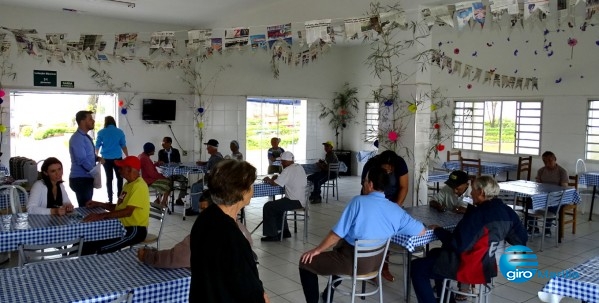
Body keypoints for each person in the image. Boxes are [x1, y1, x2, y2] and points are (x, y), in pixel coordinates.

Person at [299, 165, 426, 303]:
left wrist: (317, 250)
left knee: (305, 262)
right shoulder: (395, 209)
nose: (363, 184)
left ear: (370, 184)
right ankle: (327, 296)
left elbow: (337, 234)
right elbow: (421, 230)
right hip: (376, 264)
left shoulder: (358, 202)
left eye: (364, 181)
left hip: (352, 262)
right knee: (336, 256)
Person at [411, 176, 528, 303]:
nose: (471, 193)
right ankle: (447, 300)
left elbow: (458, 244)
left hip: (467, 264)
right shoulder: (507, 212)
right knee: (434, 253)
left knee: (416, 267)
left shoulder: (478, 214)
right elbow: (521, 240)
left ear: (481, 192)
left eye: (473, 190)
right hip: (486, 264)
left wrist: (439, 231)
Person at [189, 159, 269, 303]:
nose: (252, 190)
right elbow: (247, 290)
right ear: (241, 191)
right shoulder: (231, 236)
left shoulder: (206, 217)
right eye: (251, 185)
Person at [137, 190, 256, 269]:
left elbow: (175, 258)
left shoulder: (207, 231)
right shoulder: (239, 226)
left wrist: (148, 256)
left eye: (204, 209)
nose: (201, 214)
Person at [81, 156, 150, 255]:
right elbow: (119, 208)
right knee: (90, 241)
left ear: (129, 170)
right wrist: (98, 203)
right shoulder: (128, 184)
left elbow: (127, 212)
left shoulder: (139, 186)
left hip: (135, 230)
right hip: (121, 227)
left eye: (121, 168)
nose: (119, 170)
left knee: (101, 248)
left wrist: (101, 215)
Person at [360, 149, 410, 281]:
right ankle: (370, 268)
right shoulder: (371, 165)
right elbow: (366, 188)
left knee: (386, 235)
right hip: (372, 201)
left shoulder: (400, 163)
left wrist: (395, 207)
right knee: (372, 236)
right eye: (385, 168)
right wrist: (373, 209)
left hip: (392, 202)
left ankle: (384, 267)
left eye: (390, 169)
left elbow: (404, 187)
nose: (388, 170)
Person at [261, 151, 308, 241]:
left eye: (282, 161)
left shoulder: (287, 170)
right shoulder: (299, 167)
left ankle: (272, 235)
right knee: (278, 205)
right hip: (302, 200)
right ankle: (285, 231)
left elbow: (275, 184)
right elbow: (285, 179)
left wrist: (268, 179)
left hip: (293, 201)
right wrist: (277, 178)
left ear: (286, 161)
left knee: (268, 206)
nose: (281, 163)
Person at [69, 110, 104, 207]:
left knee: (87, 206)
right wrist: (95, 172)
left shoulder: (85, 137)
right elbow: (82, 160)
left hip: (85, 178)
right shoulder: (77, 138)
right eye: (90, 119)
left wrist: (97, 158)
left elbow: (88, 155)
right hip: (80, 179)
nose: (93, 121)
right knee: (86, 208)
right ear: (82, 121)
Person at [530, 151, 569, 236]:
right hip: (543, 195)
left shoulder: (562, 172)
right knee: (530, 202)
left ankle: (547, 229)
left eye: (550, 160)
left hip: (557, 197)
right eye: (545, 161)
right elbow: (537, 185)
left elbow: (564, 188)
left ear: (555, 159)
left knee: (552, 205)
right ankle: (533, 227)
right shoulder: (541, 171)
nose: (547, 163)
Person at [95, 116, 128, 204]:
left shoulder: (101, 132)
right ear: (113, 122)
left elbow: (97, 146)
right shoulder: (120, 132)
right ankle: (119, 198)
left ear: (105, 122)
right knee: (120, 178)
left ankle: (110, 199)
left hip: (106, 159)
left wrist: (96, 157)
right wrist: (127, 156)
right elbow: (123, 145)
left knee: (109, 178)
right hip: (118, 158)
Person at [187, 139, 224, 215]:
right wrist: (204, 163)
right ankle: (197, 205)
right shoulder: (218, 155)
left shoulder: (215, 158)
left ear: (212, 148)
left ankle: (195, 210)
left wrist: (204, 179)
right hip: (213, 180)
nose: (207, 148)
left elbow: (212, 173)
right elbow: (212, 164)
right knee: (197, 184)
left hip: (213, 182)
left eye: (208, 147)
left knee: (195, 186)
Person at [157, 136, 187, 206]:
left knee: (185, 181)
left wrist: (174, 164)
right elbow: (160, 163)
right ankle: (161, 200)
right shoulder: (161, 152)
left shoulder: (176, 151)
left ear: (169, 143)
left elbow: (178, 162)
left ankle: (179, 199)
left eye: (164, 142)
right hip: (166, 173)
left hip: (175, 172)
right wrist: (161, 162)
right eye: (162, 142)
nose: (162, 144)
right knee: (168, 182)